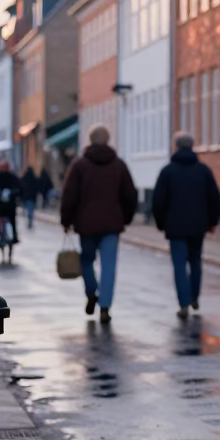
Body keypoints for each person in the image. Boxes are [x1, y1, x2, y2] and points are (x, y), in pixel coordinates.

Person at [60, 124, 137, 325]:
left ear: (90, 140)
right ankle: (105, 306)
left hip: (86, 225)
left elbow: (69, 196)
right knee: (109, 266)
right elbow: (130, 195)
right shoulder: (119, 165)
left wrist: (66, 220)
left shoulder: (79, 166)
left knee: (86, 261)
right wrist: (126, 218)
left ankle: (91, 291)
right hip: (112, 224)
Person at [151, 132, 220, 319]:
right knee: (196, 261)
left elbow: (158, 200)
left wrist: (160, 222)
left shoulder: (167, 172)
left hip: (175, 226)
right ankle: (194, 296)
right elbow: (214, 198)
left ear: (176, 147)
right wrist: (213, 222)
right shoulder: (203, 171)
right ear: (192, 147)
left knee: (179, 264)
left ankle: (183, 303)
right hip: (198, 225)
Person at [0, 160, 22, 247]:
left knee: (13, 221)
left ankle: (14, 236)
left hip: (9, 205)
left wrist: (14, 193)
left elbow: (19, 188)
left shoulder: (12, 177)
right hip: (0, 205)